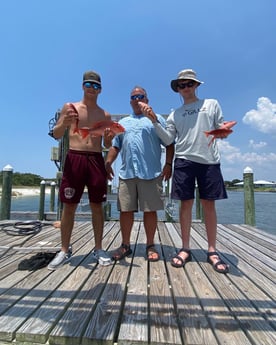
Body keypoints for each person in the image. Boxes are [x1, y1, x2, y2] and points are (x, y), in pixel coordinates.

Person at [139, 69, 230, 273]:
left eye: (190, 83)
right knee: (185, 205)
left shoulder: (211, 104)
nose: (186, 87)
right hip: (184, 161)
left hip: (209, 161)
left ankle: (212, 250)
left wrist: (224, 130)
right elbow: (169, 139)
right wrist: (154, 120)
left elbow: (221, 127)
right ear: (177, 89)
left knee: (209, 205)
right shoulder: (174, 114)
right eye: (182, 85)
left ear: (197, 85)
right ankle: (185, 247)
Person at [48, 70, 114, 270]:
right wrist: (65, 123)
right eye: (89, 85)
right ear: (83, 86)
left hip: (95, 159)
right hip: (74, 157)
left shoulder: (105, 115)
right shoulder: (70, 108)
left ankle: (98, 248)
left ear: (100, 90)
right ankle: (64, 249)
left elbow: (107, 143)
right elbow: (57, 134)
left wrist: (110, 138)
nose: (92, 89)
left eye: (96, 86)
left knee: (97, 205)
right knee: (69, 206)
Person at [105, 86, 174, 262]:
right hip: (127, 173)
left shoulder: (157, 119)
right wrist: (107, 162)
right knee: (125, 210)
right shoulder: (124, 123)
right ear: (130, 101)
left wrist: (168, 164)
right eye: (133, 97)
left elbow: (169, 142)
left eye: (140, 96)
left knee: (150, 211)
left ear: (147, 100)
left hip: (151, 173)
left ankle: (150, 244)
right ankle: (125, 245)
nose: (137, 99)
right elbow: (116, 145)